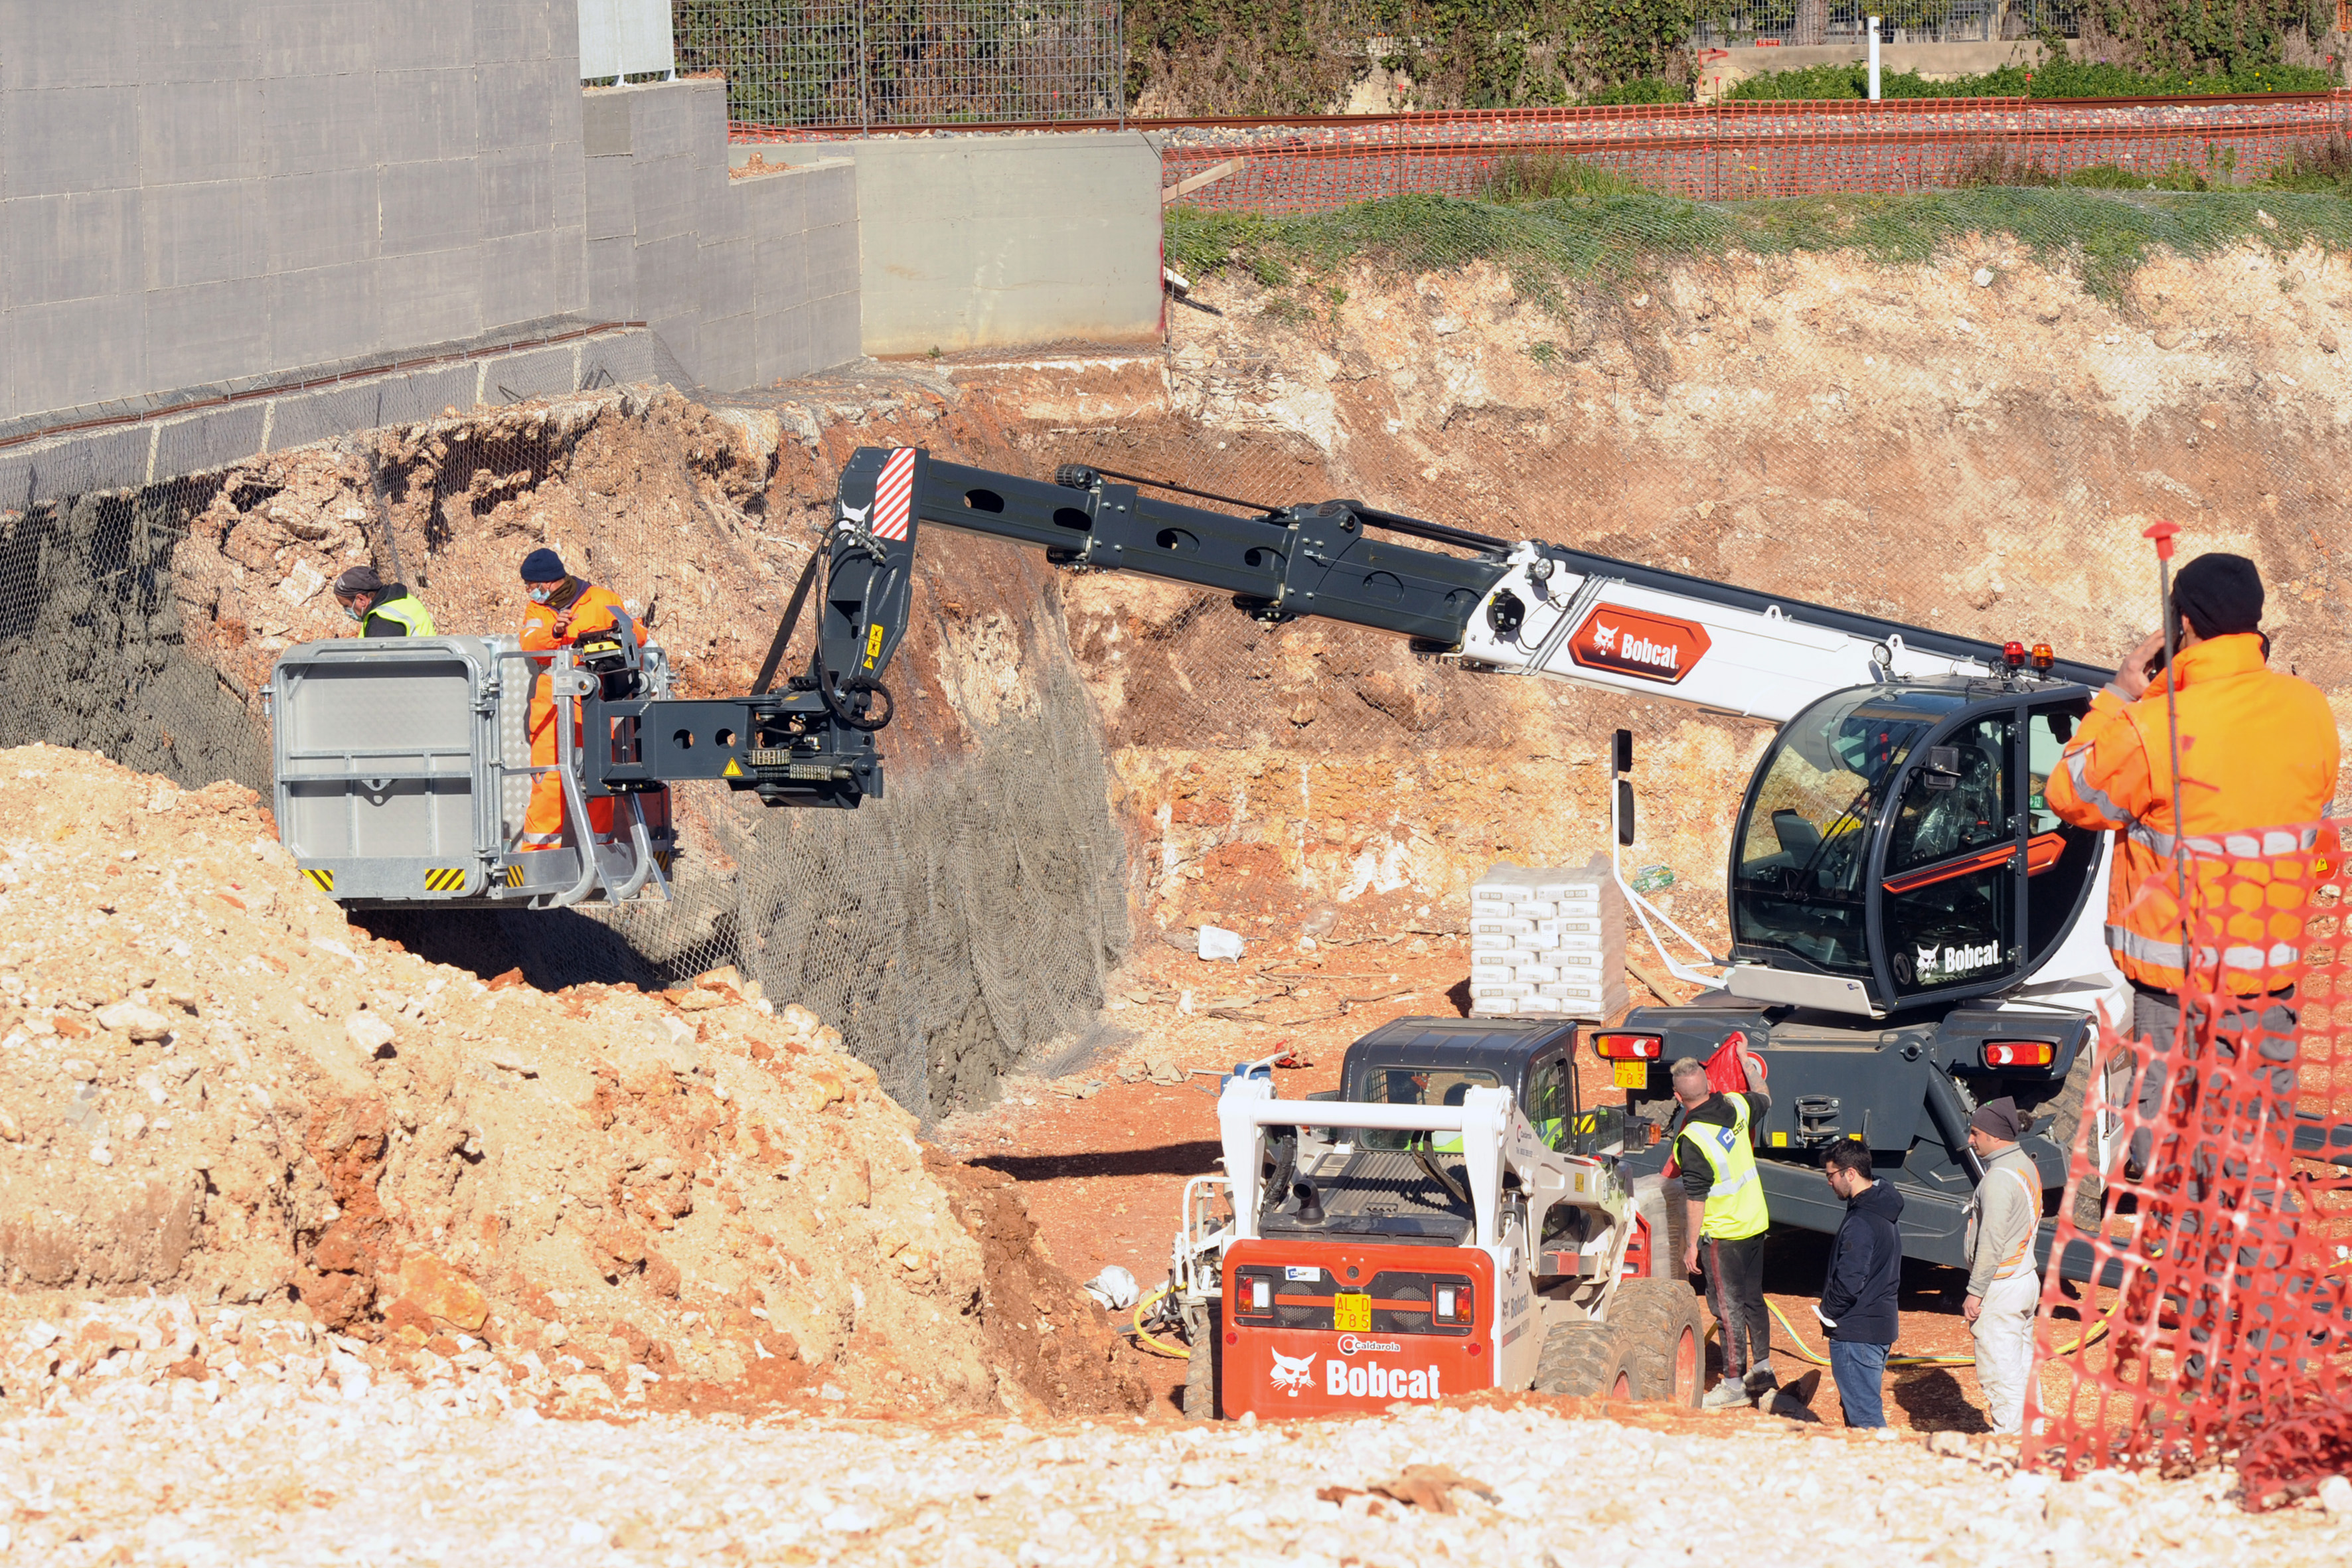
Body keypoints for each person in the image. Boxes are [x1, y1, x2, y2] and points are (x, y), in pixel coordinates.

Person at [2044, 552, 2339, 1174]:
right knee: (2253, 1157)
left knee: (2171, 1158)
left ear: (2181, 623)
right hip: (2269, 979)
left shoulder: (2153, 725)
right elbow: (2312, 815)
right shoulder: (2309, 709)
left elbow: (2071, 794)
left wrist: (2123, 693)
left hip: (2177, 984)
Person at [516, 548, 641, 853]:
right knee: (548, 779)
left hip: (593, 702)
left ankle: (600, 850)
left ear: (547, 583)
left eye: (531, 586)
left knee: (596, 779)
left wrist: (610, 637)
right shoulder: (537, 609)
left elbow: (638, 635)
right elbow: (529, 644)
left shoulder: (602, 600)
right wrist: (555, 630)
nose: (530, 592)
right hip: (551, 707)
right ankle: (540, 855)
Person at [1670, 1050, 1774, 1409]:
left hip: (1724, 1234)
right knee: (1753, 1300)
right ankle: (1762, 1371)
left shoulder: (1693, 1138)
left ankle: (1733, 1386)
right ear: (1710, 1084)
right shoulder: (1736, 1104)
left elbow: (1696, 1196)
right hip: (1754, 1222)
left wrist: (1691, 1246)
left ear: (1678, 1097)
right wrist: (1745, 1060)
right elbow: (1764, 1095)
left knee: (1728, 1311)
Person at [1962, 1097, 2041, 1435]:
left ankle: (2010, 1449)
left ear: (1995, 1136)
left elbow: (1992, 1242)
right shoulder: (2025, 1165)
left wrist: (1975, 1291)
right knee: (2022, 1370)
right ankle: (2032, 1442)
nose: (1970, 1140)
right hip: (2024, 1278)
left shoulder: (1997, 1180)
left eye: (1976, 1133)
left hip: (2002, 1287)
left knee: (2002, 1378)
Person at [1816, 1139, 1902, 1430]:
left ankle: (1883, 1461)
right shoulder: (1883, 1205)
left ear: (1850, 1173)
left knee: (1866, 1421)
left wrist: (1828, 1311)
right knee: (1860, 1410)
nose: (1829, 1182)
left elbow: (1850, 1282)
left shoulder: (1861, 1222)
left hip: (1856, 1334)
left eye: (1831, 1175)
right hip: (1879, 1327)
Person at [331, 566, 434, 637]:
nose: (346, 611)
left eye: (346, 605)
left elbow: (381, 661)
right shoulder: (404, 598)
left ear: (361, 600)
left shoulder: (381, 623)